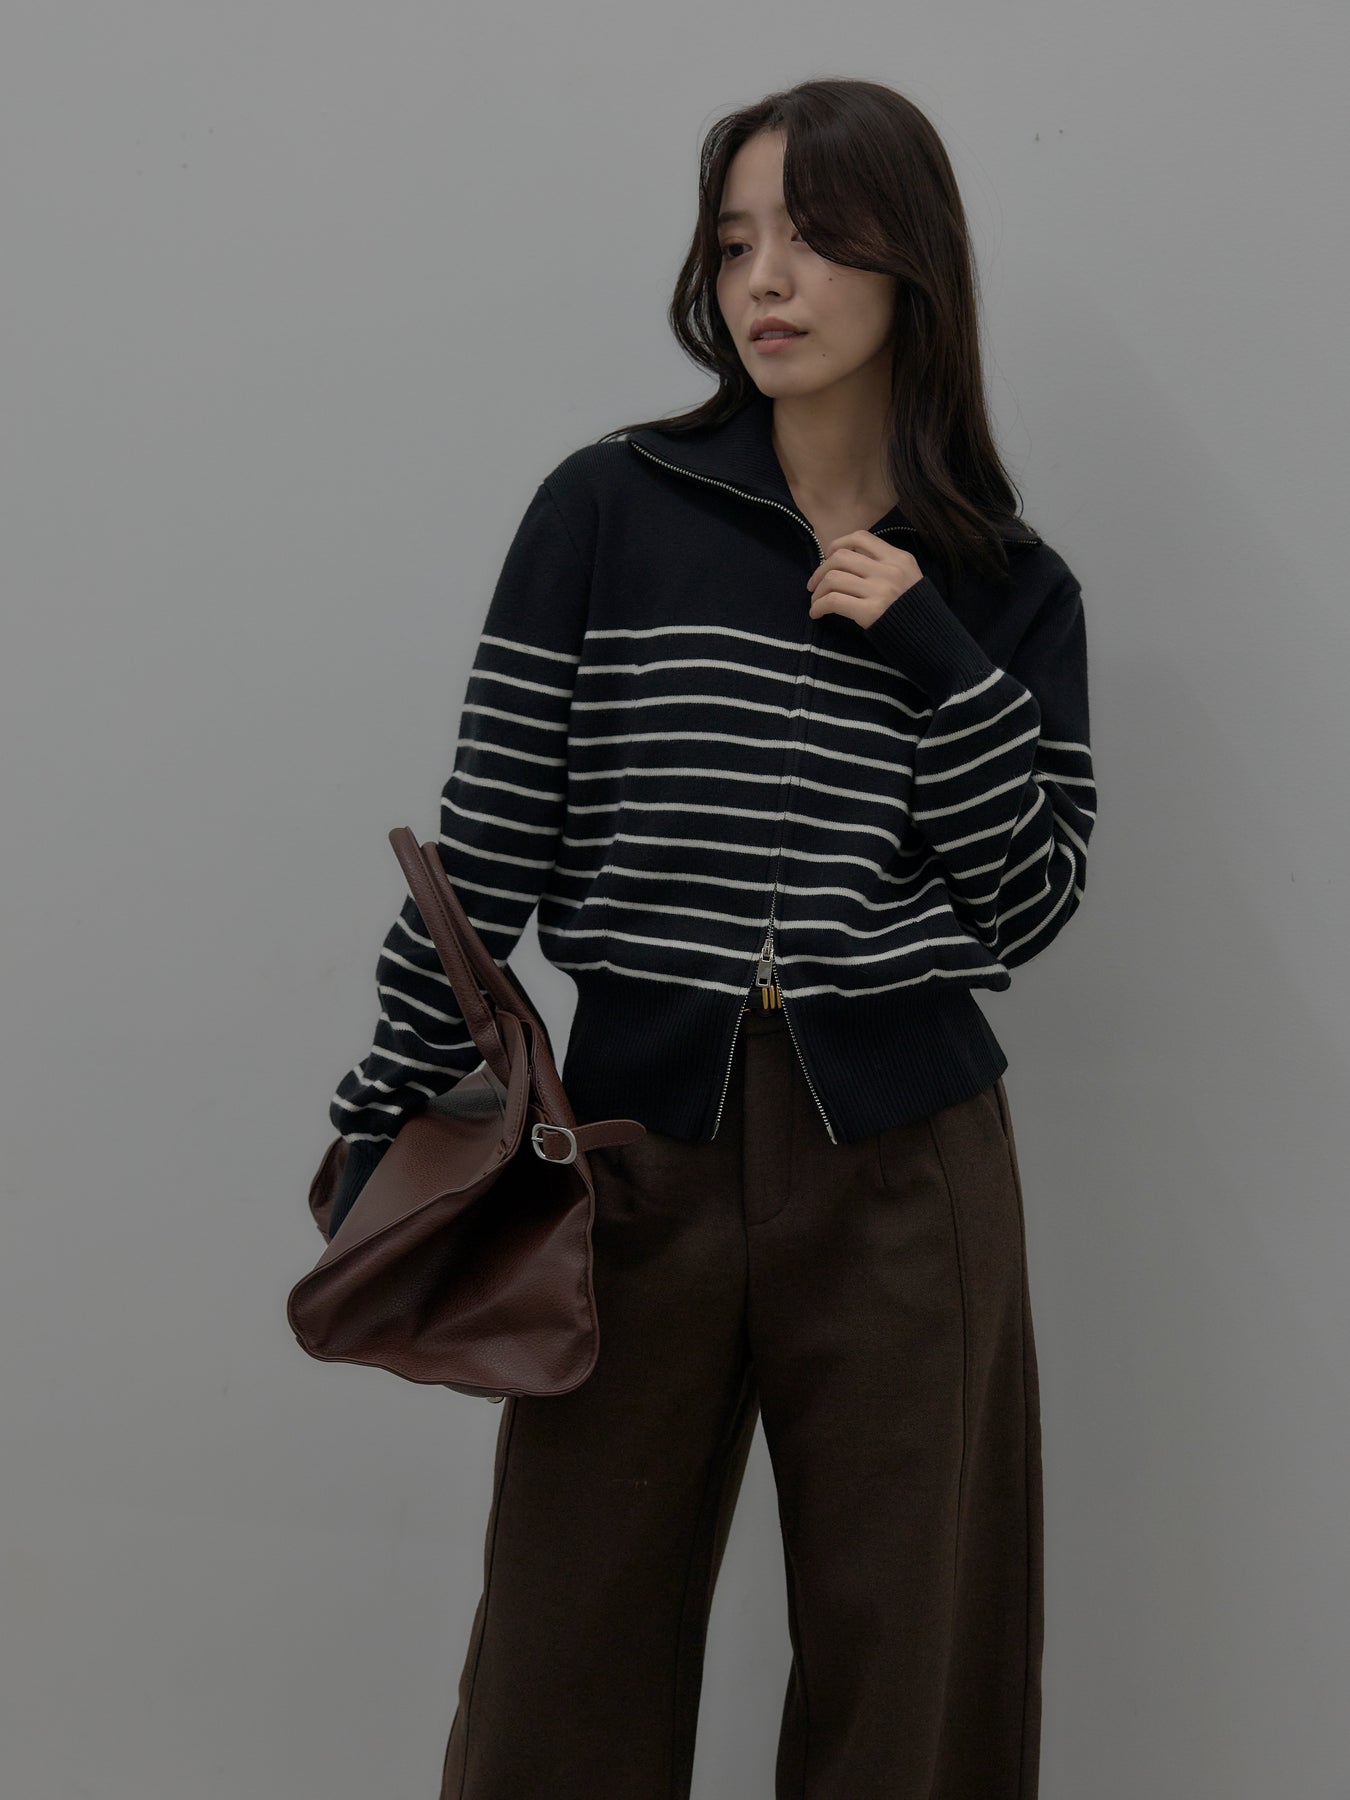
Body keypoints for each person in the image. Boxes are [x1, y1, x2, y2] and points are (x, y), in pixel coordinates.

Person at [325, 76, 1095, 1800]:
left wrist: (937, 654)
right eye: (736, 242)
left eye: (815, 239)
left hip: (907, 1168)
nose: (767, 281)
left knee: (915, 1669)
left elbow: (1031, 904)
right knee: (561, 1662)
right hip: (636, 1154)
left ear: (912, 267)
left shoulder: (1006, 582)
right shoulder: (609, 508)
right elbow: (484, 851)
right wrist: (388, 1105)